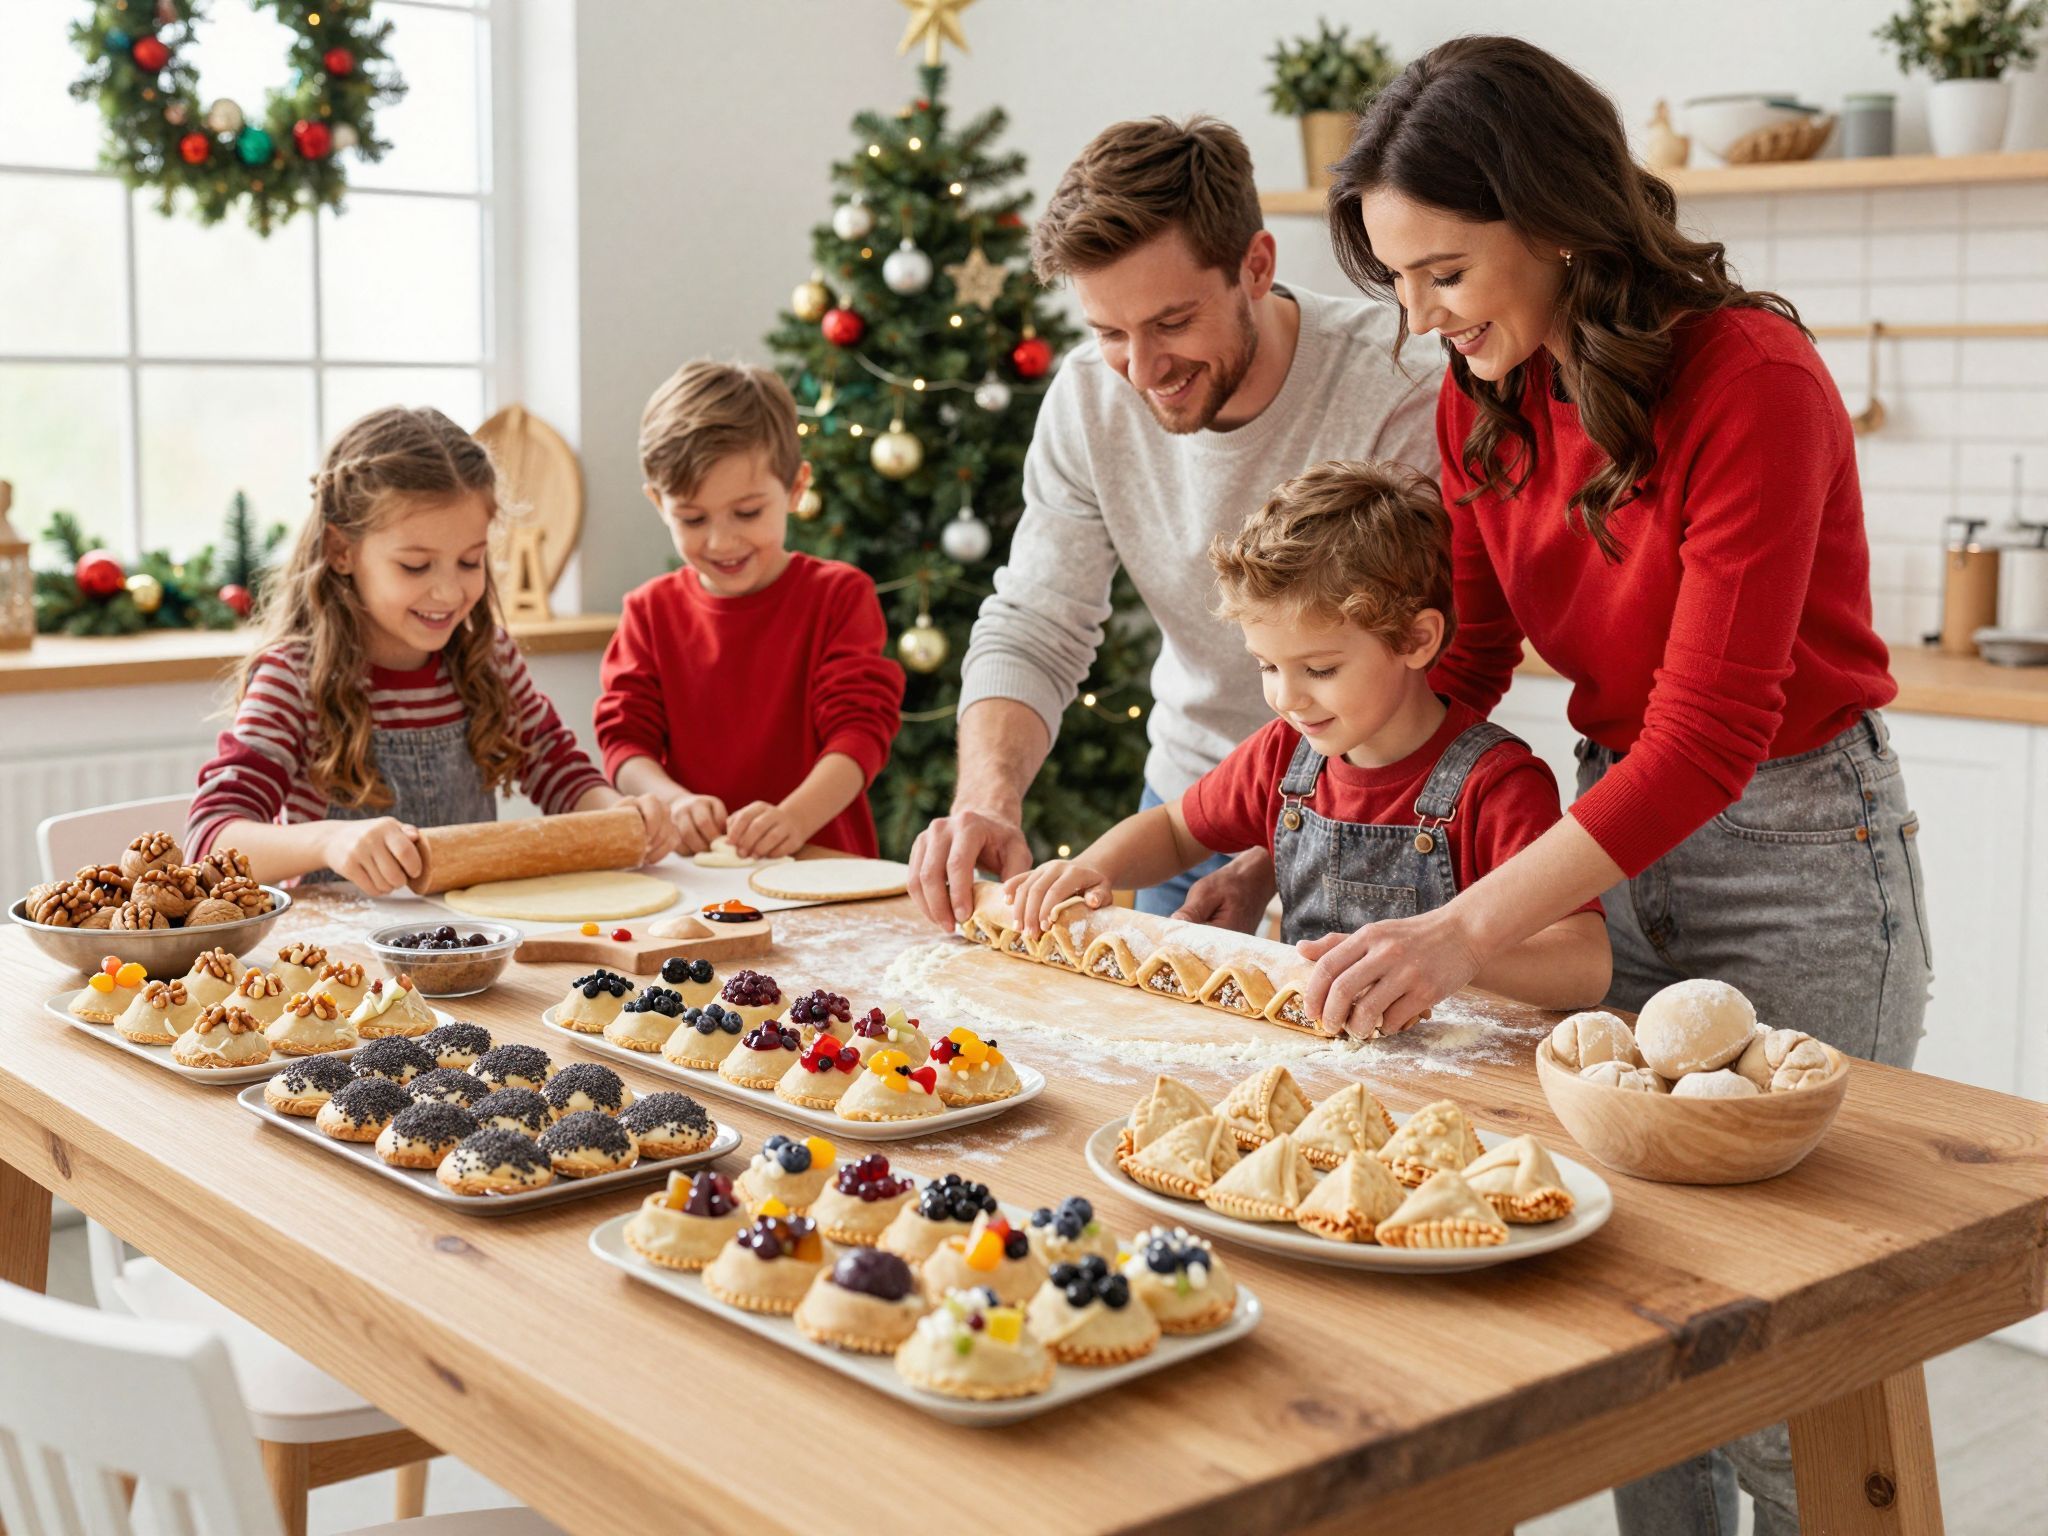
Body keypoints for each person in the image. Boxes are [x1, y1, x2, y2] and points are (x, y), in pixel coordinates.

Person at [1316, 36, 1928, 1536]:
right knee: (1638, 1334)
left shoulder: (1750, 377)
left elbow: (1715, 733)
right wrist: (1301, 810)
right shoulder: (1487, 397)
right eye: (1396, 281)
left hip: (1793, 855)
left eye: (1444, 272)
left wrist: (1459, 934)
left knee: (1795, 1364)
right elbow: (1457, 665)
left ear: (1562, 218)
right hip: (1609, 852)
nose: (1421, 318)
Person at [906, 114, 1439, 931]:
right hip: (1185, 811)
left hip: (1376, 819)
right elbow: (1036, 623)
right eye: (1109, 331)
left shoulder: (1398, 387)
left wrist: (1278, 846)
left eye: (1172, 323)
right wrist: (988, 801)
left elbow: (1431, 656)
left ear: (1254, 267)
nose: (1143, 371)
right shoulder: (1089, 398)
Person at [1003, 458, 1609, 1016]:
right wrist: (1089, 867)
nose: (1286, 698)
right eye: (1268, 666)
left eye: (1319, 669)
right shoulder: (1282, 756)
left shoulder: (1497, 785)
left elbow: (1584, 966)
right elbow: (1172, 830)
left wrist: (1462, 953)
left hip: (1450, 1084)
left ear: (1417, 640)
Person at [187, 406, 678, 891]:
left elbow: (560, 773)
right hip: (343, 962)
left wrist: (617, 813)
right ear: (341, 551)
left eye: (469, 561)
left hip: (474, 945)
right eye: (416, 567)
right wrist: (330, 840)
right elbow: (209, 840)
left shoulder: (489, 659)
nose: (448, 592)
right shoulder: (293, 680)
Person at [595, 360, 904, 858]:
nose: (722, 540)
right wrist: (674, 803)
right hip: (693, 876)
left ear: (796, 488)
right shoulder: (648, 612)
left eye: (747, 512)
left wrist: (794, 819)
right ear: (658, 503)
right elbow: (625, 744)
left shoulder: (838, 597)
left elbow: (860, 735)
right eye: (693, 518)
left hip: (819, 872)